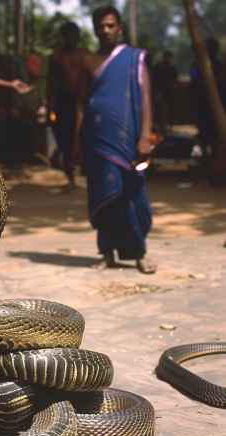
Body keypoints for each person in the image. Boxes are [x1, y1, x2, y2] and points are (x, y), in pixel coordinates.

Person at [72, 6, 156, 274]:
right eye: (101, 26)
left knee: (130, 193)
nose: (106, 30)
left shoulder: (136, 58)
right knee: (102, 194)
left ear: (120, 28)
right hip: (95, 138)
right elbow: (82, 103)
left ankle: (139, 253)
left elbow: (145, 100)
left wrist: (145, 137)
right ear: (95, 29)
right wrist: (76, 140)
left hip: (127, 138)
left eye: (110, 25)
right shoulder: (88, 61)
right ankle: (106, 253)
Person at [47, 22, 89, 188]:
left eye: (72, 37)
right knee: (64, 138)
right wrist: (49, 105)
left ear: (77, 38)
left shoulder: (85, 55)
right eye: (67, 37)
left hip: (81, 99)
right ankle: (70, 177)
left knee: (83, 136)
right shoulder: (57, 57)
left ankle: (86, 173)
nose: (70, 40)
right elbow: (51, 82)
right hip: (62, 100)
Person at [190, 38, 226, 163]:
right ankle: (205, 158)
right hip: (203, 105)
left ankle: (214, 158)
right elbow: (195, 84)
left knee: (215, 134)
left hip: (217, 106)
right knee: (204, 133)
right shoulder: (197, 66)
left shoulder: (220, 66)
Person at [153, 51, 177, 134]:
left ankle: (165, 126)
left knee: (166, 110)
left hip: (168, 93)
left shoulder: (172, 69)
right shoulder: (158, 67)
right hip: (159, 91)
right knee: (160, 110)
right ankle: (159, 126)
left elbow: (174, 81)